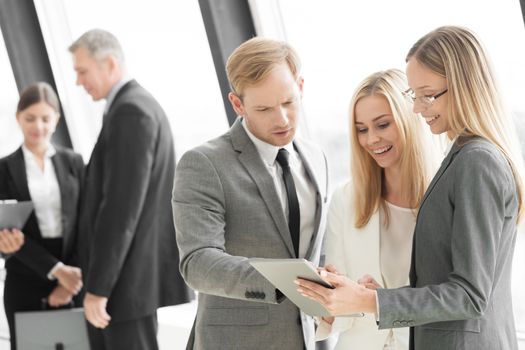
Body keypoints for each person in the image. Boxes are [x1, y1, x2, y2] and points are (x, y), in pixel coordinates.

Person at [296, 26, 524, 350]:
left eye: (427, 95)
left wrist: (371, 301)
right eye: (413, 95)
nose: (417, 108)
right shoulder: (463, 157)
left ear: (464, 87)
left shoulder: (477, 162)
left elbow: (470, 296)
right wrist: (376, 297)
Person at [172, 37, 329, 350]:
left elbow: (313, 248)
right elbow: (198, 262)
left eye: (288, 102)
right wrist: (289, 280)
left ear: (300, 86)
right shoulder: (204, 163)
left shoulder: (316, 157)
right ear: (237, 104)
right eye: (264, 108)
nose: (282, 119)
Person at [69, 29, 192, 350]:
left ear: (109, 64)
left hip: (124, 285)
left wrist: (98, 288)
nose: (79, 81)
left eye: (82, 71)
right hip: (127, 283)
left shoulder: (131, 112)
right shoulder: (135, 106)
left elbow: (120, 210)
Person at [316, 69, 437, 350]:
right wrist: (328, 298)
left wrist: (382, 301)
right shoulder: (346, 200)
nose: (371, 140)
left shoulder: (445, 195)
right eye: (362, 129)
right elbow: (342, 315)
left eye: (382, 125)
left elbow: (457, 298)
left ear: (411, 119)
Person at [0, 82, 84, 350]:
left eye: (45, 118)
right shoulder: (3, 168)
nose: (38, 126)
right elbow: (4, 231)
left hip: (73, 278)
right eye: (30, 118)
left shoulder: (74, 163)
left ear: (57, 120)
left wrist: (69, 281)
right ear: (18, 119)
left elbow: (87, 225)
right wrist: (55, 271)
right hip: (24, 277)